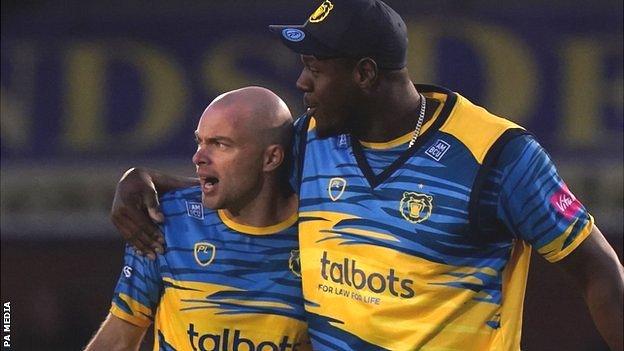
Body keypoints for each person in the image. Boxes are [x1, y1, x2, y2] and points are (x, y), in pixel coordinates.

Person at [110, 1, 624, 350]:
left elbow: (598, 271)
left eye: (315, 67)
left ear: (364, 74)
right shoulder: (313, 139)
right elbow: (243, 173)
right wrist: (145, 180)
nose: (301, 81)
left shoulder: (498, 157)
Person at [86, 87, 311, 351]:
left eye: (220, 144)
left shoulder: (318, 234)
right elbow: (117, 342)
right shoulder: (169, 222)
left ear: (271, 157)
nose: (198, 158)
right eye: (199, 142)